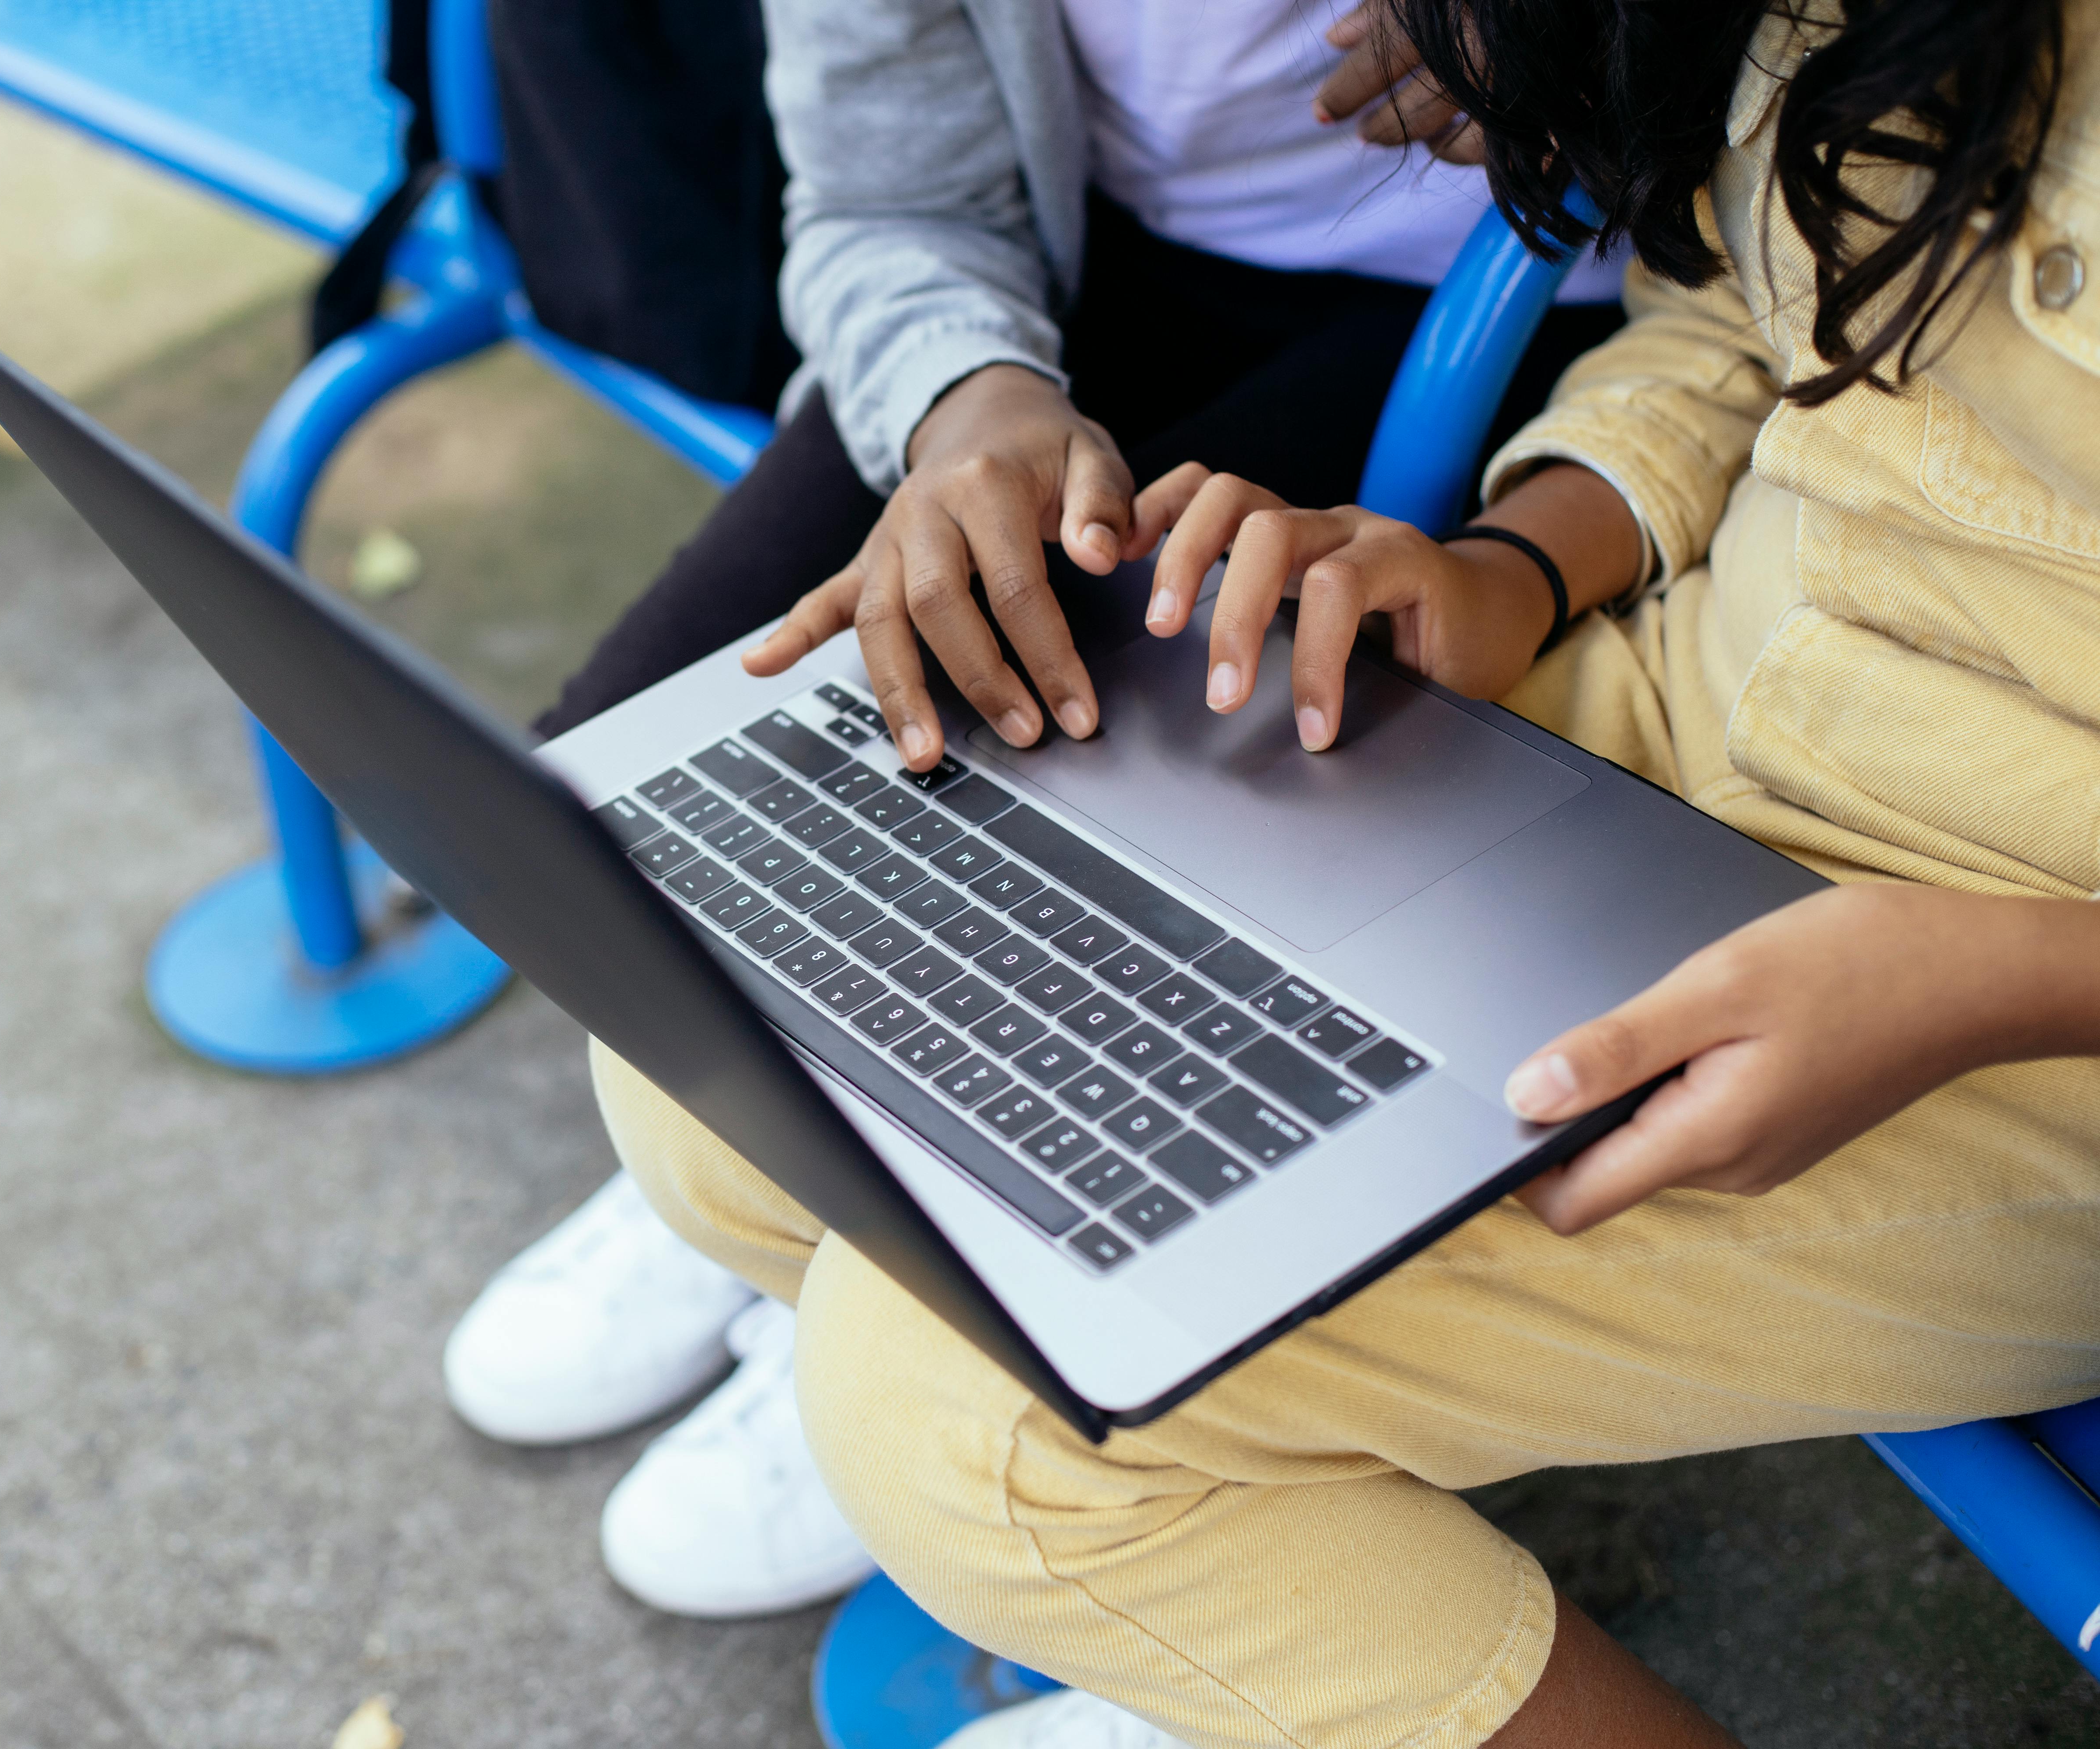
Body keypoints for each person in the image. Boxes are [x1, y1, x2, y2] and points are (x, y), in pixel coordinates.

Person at [594, 0, 2100, 1739]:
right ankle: (1256, 1616)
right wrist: (1505, 572)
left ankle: (1197, 1561)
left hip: (2013, 994)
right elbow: (1745, 322)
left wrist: (1990, 975)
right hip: (1674, 721)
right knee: (711, 1050)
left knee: (970, 1427)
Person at [442, 0, 1632, 1620]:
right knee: (627, 787)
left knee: (1081, 794)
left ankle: (930, 1278)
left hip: (1520, 308)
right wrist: (967, 401)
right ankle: (783, 1178)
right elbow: (884, 196)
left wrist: (1610, 57)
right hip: (1080, 267)